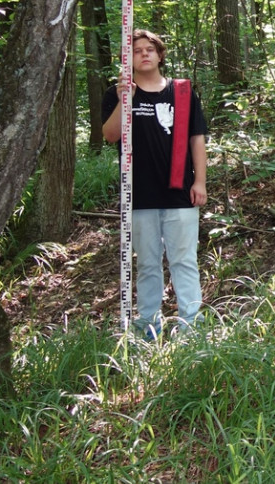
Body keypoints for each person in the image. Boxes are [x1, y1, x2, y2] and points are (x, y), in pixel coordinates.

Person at [102, 29, 208, 338]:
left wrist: (200, 181)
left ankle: (191, 328)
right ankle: (148, 328)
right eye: (137, 51)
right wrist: (126, 99)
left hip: (179, 193)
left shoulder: (183, 92)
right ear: (129, 59)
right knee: (147, 264)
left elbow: (196, 139)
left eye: (150, 49)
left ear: (160, 55)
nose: (144, 54)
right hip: (138, 195)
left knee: (184, 262)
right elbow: (109, 135)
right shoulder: (117, 93)